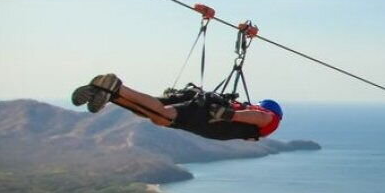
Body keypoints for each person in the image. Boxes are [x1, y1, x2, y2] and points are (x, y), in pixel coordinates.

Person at [71, 74, 282, 141]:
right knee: (163, 116)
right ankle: (117, 87)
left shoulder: (252, 118)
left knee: (151, 113)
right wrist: (230, 115)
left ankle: (111, 94)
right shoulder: (270, 119)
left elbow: (255, 115)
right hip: (208, 112)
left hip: (204, 106)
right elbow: (260, 118)